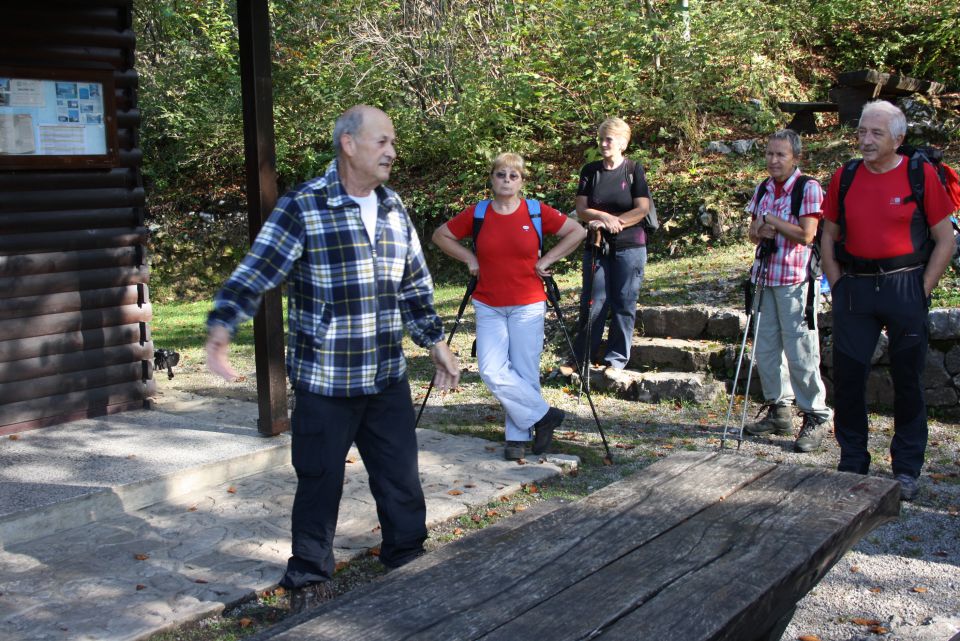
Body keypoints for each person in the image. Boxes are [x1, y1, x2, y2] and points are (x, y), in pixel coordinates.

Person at [206, 105, 460, 609]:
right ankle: (308, 577)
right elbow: (259, 269)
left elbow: (413, 286)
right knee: (320, 481)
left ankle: (407, 558)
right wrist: (222, 325)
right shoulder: (306, 205)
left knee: (400, 478)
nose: (392, 151)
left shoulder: (393, 206)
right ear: (349, 144)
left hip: (386, 374)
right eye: (382, 141)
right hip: (325, 378)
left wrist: (436, 343)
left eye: (393, 142)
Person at [820, 100, 956, 501]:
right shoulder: (843, 176)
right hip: (855, 287)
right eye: (862, 131)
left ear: (898, 139)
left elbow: (945, 239)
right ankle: (852, 461)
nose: (865, 139)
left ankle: (907, 468)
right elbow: (828, 235)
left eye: (876, 133)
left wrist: (922, 289)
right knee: (847, 377)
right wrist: (837, 283)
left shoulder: (920, 174)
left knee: (909, 380)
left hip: (905, 285)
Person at [432, 153, 585, 460]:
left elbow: (577, 231)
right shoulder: (479, 213)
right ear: (492, 178)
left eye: (513, 176)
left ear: (521, 181)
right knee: (491, 369)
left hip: (528, 302)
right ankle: (544, 417)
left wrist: (548, 259)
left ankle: (517, 439)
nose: (506, 181)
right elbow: (441, 235)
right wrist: (469, 258)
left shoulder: (535, 211)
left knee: (525, 370)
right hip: (489, 302)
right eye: (501, 175)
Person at [743, 129, 833, 452]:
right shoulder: (764, 188)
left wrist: (772, 221)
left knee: (801, 350)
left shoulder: (808, 188)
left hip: (796, 279)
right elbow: (754, 231)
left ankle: (815, 414)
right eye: (769, 153)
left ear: (795, 156)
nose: (773, 160)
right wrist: (759, 229)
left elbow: (808, 234)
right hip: (765, 277)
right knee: (766, 349)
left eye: (780, 154)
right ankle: (779, 409)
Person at [567, 117, 652, 373]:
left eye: (609, 139)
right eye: (601, 138)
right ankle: (581, 359)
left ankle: (615, 360)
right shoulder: (590, 171)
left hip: (630, 245)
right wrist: (603, 218)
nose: (603, 143)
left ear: (623, 143)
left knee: (624, 301)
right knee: (592, 300)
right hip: (596, 245)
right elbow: (581, 209)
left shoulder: (634, 169)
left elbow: (642, 209)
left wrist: (616, 222)